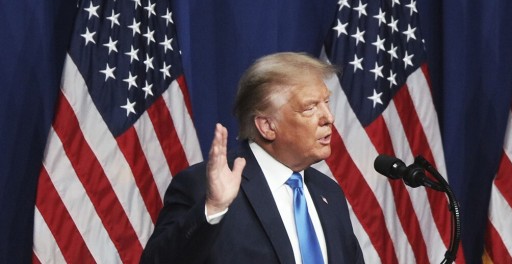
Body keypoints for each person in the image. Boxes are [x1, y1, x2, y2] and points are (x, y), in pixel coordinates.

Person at [140, 52, 365, 263]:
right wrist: (213, 208)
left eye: (326, 103)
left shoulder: (329, 193)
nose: (329, 118)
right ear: (267, 126)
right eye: (309, 108)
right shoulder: (203, 187)